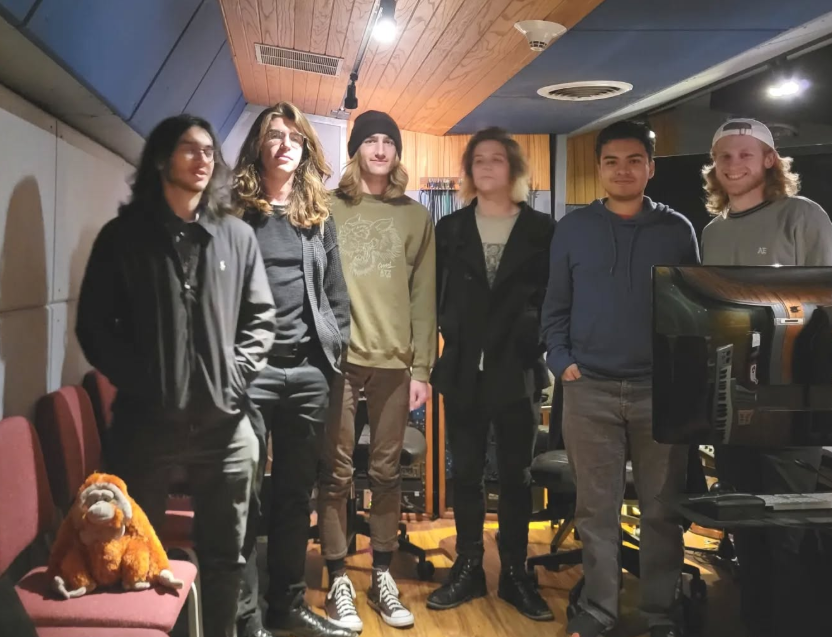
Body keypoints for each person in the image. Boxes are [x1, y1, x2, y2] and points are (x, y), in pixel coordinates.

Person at [76, 115, 276, 637]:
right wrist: (143, 379)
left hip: (225, 427)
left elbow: (261, 320)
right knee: (133, 553)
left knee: (226, 555)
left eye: (209, 150)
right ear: (163, 159)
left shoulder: (236, 236)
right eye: (190, 148)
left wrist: (233, 378)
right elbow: (94, 327)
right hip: (144, 425)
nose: (203, 158)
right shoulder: (123, 237)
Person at [541, 120, 699, 637]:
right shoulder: (573, 229)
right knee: (595, 512)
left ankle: (659, 614)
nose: (623, 170)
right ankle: (599, 610)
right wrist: (561, 360)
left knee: (661, 511)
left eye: (634, 161)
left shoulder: (678, 230)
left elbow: (694, 312)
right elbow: (554, 306)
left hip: (660, 393)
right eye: (612, 161)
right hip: (589, 389)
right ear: (599, 168)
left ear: (651, 168)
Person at [701, 118, 832, 637]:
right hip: (733, 406)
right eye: (724, 156)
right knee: (744, 529)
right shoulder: (713, 232)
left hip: (792, 404)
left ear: (770, 160)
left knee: (787, 537)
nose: (733, 165)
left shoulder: (803, 216)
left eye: (745, 154)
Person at [231, 103, 354, 637]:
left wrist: (333, 349)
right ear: (258, 145)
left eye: (295, 138)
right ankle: (246, 618)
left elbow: (336, 294)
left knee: (294, 496)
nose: (285, 145)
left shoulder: (316, 216)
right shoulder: (234, 214)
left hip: (306, 375)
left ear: (305, 150)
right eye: (275, 135)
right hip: (249, 375)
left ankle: (287, 606)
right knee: (244, 496)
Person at [426, 127, 554, 620]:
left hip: (518, 369)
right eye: (477, 160)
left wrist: (531, 336)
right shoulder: (451, 228)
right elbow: (436, 295)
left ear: (514, 168)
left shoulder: (542, 230)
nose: (485, 167)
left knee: (518, 477)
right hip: (463, 369)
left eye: (496, 159)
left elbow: (553, 299)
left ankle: (516, 573)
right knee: (466, 474)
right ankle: (469, 566)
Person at [317, 110, 436, 632]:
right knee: (336, 472)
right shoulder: (327, 208)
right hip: (339, 361)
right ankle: (338, 577)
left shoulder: (416, 216)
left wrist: (422, 369)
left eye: (389, 141)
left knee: (388, 473)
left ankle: (382, 574)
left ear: (397, 152)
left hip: (394, 364)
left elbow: (424, 297)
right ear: (357, 150)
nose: (381, 149)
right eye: (371, 141)